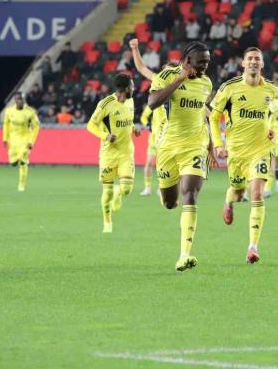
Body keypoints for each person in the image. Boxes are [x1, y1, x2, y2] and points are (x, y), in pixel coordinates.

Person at [210, 47, 278, 264]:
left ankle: (253, 246)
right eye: (250, 58)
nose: (253, 61)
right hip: (236, 152)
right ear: (243, 63)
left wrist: (272, 130)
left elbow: (272, 114)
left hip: (261, 150)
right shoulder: (229, 88)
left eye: (257, 59)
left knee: (257, 194)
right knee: (237, 190)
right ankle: (229, 202)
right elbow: (213, 118)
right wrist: (218, 145)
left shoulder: (271, 90)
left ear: (262, 64)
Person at [147, 42, 213, 272]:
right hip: (168, 147)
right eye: (200, 62)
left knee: (190, 194)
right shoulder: (167, 76)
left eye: (207, 62)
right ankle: (166, 195)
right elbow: (153, 103)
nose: (204, 66)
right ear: (187, 60)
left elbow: (202, 115)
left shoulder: (206, 83)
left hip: (195, 146)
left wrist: (210, 144)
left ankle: (185, 254)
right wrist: (180, 80)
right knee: (170, 203)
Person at [87, 74, 138, 233]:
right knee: (107, 191)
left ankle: (119, 192)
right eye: (132, 86)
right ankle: (107, 223)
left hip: (126, 152)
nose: (134, 88)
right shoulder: (106, 104)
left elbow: (127, 120)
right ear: (125, 88)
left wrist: (133, 128)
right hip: (109, 154)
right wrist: (105, 136)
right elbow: (90, 125)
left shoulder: (130, 101)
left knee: (127, 189)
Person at [129, 38, 164, 197]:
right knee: (149, 162)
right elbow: (142, 68)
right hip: (155, 137)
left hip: (168, 137)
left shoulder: (177, 93)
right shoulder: (154, 102)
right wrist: (148, 124)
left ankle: (163, 187)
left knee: (165, 165)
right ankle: (148, 187)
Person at [2, 92, 40, 193]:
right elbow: (6, 124)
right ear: (15, 100)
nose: (20, 101)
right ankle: (14, 161)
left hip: (25, 139)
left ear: (24, 100)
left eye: (21, 99)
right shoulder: (9, 111)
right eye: (18, 99)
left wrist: (31, 142)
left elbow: (36, 127)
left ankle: (21, 185)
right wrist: (5, 138)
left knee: (23, 161)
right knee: (13, 162)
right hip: (13, 140)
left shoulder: (30, 112)